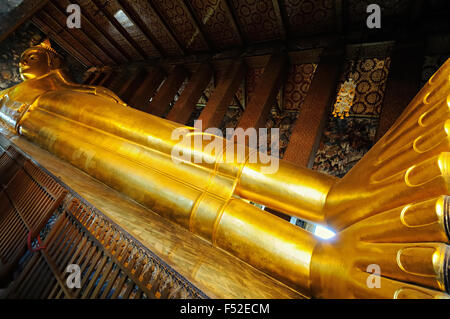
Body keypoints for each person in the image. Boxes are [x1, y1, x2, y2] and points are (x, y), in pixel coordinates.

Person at [0, 39, 448, 298]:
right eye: (28, 56)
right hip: (39, 129)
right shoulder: (11, 99)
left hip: (70, 109)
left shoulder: (64, 85)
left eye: (38, 53)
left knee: (181, 146)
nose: (30, 58)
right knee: (147, 176)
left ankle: (335, 199)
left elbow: (63, 84)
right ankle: (317, 263)